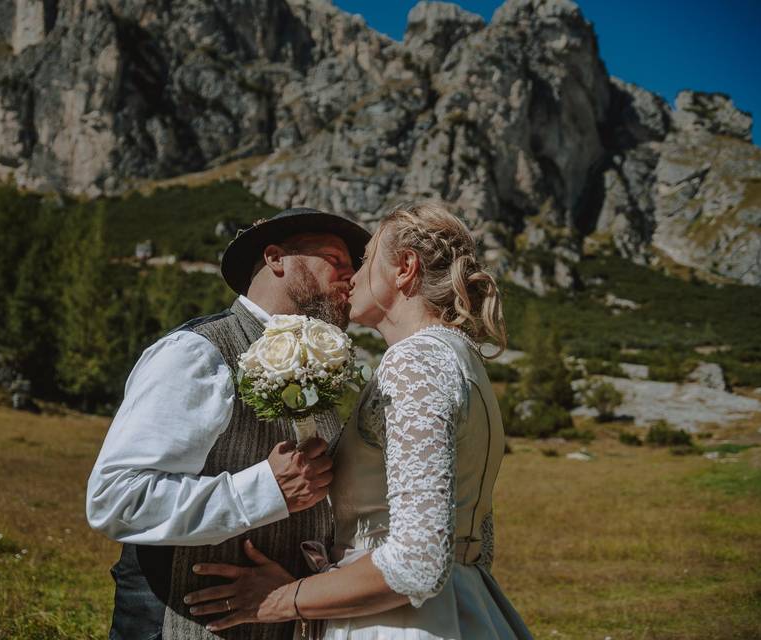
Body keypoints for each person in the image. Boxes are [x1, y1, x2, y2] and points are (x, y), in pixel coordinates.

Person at [182, 201, 534, 639]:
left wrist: (283, 598)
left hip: (398, 623)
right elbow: (476, 541)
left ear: (405, 268)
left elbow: (419, 562)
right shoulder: (462, 360)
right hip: (466, 607)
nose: (351, 276)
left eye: (365, 260)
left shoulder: (415, 361)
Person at [85, 207, 371, 640]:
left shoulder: (321, 374)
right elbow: (116, 498)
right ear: (275, 258)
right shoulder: (198, 353)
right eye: (336, 260)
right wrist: (264, 490)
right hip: (174, 624)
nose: (350, 278)